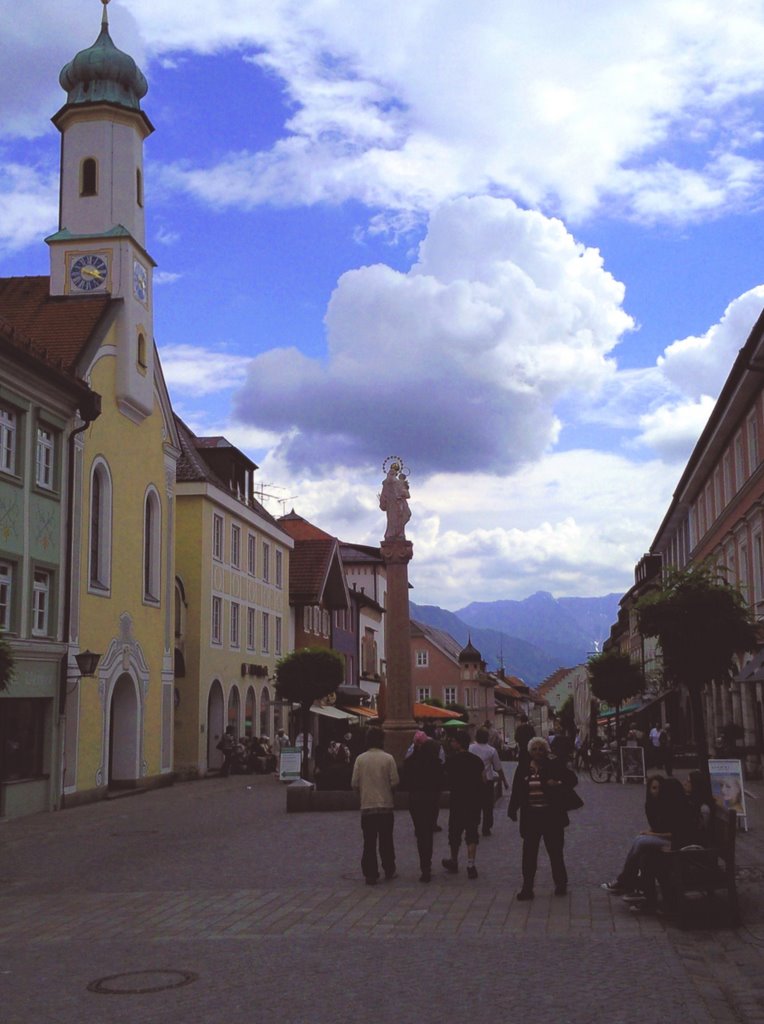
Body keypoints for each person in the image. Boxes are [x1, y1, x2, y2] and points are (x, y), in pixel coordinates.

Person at [601, 775, 694, 909]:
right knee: (644, 853)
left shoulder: (682, 807)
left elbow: (677, 833)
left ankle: (625, 881)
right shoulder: (672, 804)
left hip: (678, 847)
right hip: (674, 844)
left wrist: (652, 834)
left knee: (641, 843)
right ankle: (642, 893)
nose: (659, 793)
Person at [508, 736, 579, 900]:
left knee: (555, 852)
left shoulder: (554, 765)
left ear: (546, 751)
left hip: (551, 816)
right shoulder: (523, 768)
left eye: (541, 749)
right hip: (531, 816)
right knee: (529, 854)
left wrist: (559, 783)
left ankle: (560, 884)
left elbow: (572, 779)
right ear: (530, 751)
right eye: (534, 749)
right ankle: (527, 888)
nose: (538, 752)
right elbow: (517, 790)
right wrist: (513, 809)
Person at [351, 727, 399, 885]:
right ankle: (389, 868)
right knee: (386, 840)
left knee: (369, 842)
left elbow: (354, 783)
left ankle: (370, 873)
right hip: (385, 806)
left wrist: (363, 794)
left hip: (367, 807)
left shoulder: (360, 759)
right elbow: (395, 782)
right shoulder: (388, 758)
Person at [401, 732, 444, 882]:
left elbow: (404, 780)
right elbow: (441, 779)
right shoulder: (435, 760)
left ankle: (424, 866)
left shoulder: (410, 761)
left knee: (420, 833)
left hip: (416, 799)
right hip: (431, 799)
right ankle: (427, 865)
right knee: (428, 833)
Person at [442, 730, 485, 879]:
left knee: (455, 832)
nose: (452, 743)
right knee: (472, 833)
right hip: (473, 801)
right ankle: (471, 864)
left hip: (457, 801)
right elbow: (483, 780)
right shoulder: (477, 760)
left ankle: (454, 860)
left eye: (453, 741)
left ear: (458, 743)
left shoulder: (451, 761)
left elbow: (446, 781)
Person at [469, 727, 507, 836]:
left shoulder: (470, 748)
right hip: (487, 781)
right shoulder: (491, 750)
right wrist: (504, 781)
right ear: (487, 738)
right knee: (487, 806)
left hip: (473, 781)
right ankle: (486, 827)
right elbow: (498, 767)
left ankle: (474, 825)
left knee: (474, 805)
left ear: (476, 737)